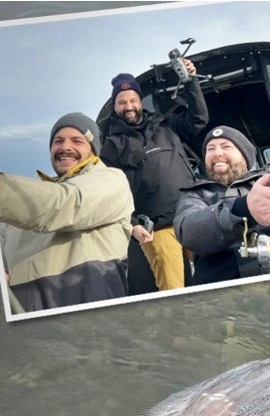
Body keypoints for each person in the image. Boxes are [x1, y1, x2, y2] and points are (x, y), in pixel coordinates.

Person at [0, 113, 133, 313]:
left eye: (77, 141)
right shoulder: (20, 209)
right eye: (58, 141)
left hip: (87, 320)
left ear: (93, 150)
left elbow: (63, 204)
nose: (65, 147)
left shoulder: (110, 180)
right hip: (24, 325)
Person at [100, 61, 208, 294]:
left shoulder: (165, 124)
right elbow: (108, 194)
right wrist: (132, 225)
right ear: (115, 107)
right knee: (174, 293)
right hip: (157, 230)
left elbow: (198, 119)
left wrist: (191, 81)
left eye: (132, 100)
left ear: (139, 101)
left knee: (213, 276)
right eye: (122, 102)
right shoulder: (112, 146)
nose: (128, 106)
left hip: (192, 216)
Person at [175, 125, 270, 285]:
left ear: (245, 156)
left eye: (226, 147)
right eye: (210, 149)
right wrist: (243, 209)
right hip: (224, 292)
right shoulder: (194, 195)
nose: (217, 153)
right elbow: (189, 232)